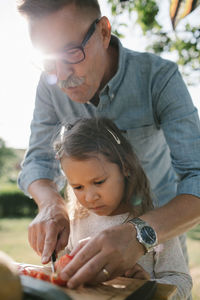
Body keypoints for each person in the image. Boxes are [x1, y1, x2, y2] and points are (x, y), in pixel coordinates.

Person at [17, 0, 200, 289]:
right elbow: (37, 162)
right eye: (49, 60)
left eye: (71, 53)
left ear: (104, 31)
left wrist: (140, 234)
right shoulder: (49, 85)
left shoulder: (159, 78)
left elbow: (197, 176)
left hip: (161, 237)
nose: (61, 77)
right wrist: (51, 205)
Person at [53, 117, 192, 299]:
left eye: (99, 182)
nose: (89, 197)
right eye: (78, 187)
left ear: (125, 167)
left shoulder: (154, 222)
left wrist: (147, 287)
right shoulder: (76, 221)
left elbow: (182, 281)